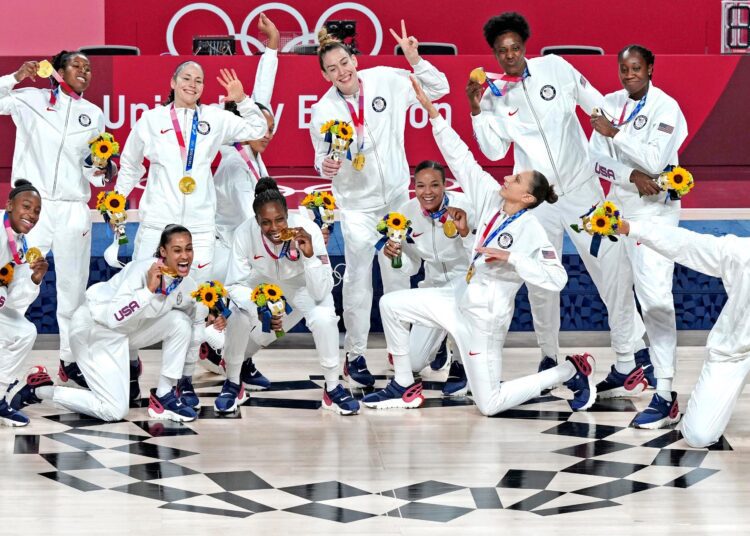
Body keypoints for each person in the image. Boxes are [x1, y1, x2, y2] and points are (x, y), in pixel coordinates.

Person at [363, 79, 596, 416]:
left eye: (516, 180)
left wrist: (513, 258)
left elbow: (556, 279)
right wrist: (434, 116)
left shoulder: (531, 230)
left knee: (489, 405)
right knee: (391, 305)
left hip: (484, 320)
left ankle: (570, 371)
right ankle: (404, 385)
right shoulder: (489, 201)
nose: (507, 178)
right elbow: (463, 160)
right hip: (458, 296)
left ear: (527, 197)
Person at [467, 11, 650, 387]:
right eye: (502, 51)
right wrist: (475, 110)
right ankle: (549, 355)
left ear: (525, 46)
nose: (510, 55)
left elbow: (595, 105)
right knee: (541, 283)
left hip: (583, 191)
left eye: (515, 47)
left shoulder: (555, 68)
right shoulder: (494, 96)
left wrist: (621, 155)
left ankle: (630, 355)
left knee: (611, 270)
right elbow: (493, 149)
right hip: (538, 202)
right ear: (494, 55)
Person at [114, 60, 268, 404]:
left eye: (199, 80)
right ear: (172, 81)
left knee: (198, 305)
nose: (193, 84)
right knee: (139, 295)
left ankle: (183, 378)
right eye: (186, 78)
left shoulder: (215, 118)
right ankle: (130, 370)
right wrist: (118, 201)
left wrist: (241, 99)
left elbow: (257, 128)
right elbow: (129, 164)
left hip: (199, 226)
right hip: (157, 223)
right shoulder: (151, 121)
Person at [309, 20, 449, 388]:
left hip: (396, 201)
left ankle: (404, 348)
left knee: (399, 273)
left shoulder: (386, 78)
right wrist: (325, 164)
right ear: (325, 76)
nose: (342, 71)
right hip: (356, 206)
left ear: (354, 58)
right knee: (358, 281)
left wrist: (416, 60)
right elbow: (319, 159)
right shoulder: (323, 110)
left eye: (344, 62)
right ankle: (354, 354)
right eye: (332, 69)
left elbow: (439, 87)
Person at [11, 225, 226, 423]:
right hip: (93, 330)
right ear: (163, 252)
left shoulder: (187, 284)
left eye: (188, 249)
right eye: (177, 250)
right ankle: (39, 389)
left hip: (124, 334)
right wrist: (147, 292)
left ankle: (164, 395)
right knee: (114, 410)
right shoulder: (140, 271)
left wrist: (213, 315)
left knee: (180, 322)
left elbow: (194, 318)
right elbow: (114, 317)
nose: (185, 256)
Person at [589, 44, 688, 427]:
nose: (629, 74)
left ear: (650, 68)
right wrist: (628, 176)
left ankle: (665, 392)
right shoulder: (609, 102)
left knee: (656, 298)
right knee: (616, 291)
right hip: (619, 211)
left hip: (656, 212)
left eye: (636, 68)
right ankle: (628, 365)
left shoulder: (667, 107)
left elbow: (652, 159)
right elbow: (594, 158)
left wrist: (615, 133)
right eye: (624, 68)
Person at [0, 51, 111, 389]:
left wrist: (101, 167)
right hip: (33, 208)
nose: (85, 71)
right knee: (17, 282)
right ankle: (7, 359)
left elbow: (95, 176)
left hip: (73, 207)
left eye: (89, 68)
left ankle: (69, 359)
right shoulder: (30, 99)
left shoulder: (93, 115)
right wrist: (16, 77)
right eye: (77, 65)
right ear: (59, 70)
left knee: (73, 290)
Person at [219, 178, 359, 415]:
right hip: (262, 282)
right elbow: (234, 284)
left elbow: (321, 291)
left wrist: (310, 257)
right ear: (257, 221)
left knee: (324, 317)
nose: (274, 228)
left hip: (300, 284)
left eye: (279, 219)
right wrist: (258, 305)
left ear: (288, 214)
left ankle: (333, 388)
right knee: (239, 313)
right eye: (266, 222)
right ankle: (233, 381)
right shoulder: (244, 233)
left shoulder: (309, 230)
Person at [616, 219, 749, 447]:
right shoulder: (742, 253)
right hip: (735, 351)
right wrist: (633, 228)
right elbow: (687, 244)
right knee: (699, 436)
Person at [202, 13, 280, 388]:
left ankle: (226, 351)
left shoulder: (252, 152)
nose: (268, 132)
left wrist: (271, 48)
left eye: (271, 126)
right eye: (262, 128)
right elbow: (257, 224)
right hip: (226, 254)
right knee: (262, 300)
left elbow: (261, 96)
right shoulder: (236, 164)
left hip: (237, 249)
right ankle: (222, 350)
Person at [382, 160, 475, 396]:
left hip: (466, 282)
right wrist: (397, 255)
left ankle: (460, 362)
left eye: (434, 185)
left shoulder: (466, 206)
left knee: (464, 305)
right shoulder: (406, 213)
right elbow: (412, 267)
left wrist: (465, 233)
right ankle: (441, 341)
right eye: (421, 186)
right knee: (412, 363)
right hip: (433, 287)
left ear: (445, 186)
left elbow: (480, 254)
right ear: (414, 187)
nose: (427, 192)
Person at [0, 180, 47, 426]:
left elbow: (15, 301)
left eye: (37, 211)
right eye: (26, 206)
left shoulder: (19, 242)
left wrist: (34, 279)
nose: (31, 215)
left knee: (24, 330)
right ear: (9, 205)